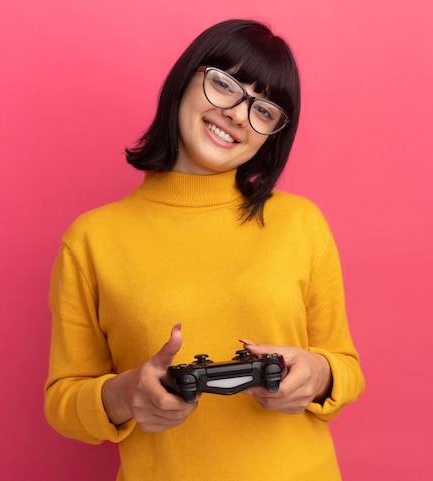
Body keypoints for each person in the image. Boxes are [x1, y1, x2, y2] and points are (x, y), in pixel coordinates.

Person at [45, 18, 365, 481]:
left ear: (272, 134)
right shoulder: (91, 239)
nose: (237, 114)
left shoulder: (302, 224)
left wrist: (318, 374)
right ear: (187, 78)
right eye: (225, 84)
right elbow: (62, 400)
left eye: (264, 110)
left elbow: (346, 367)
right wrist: (122, 394)